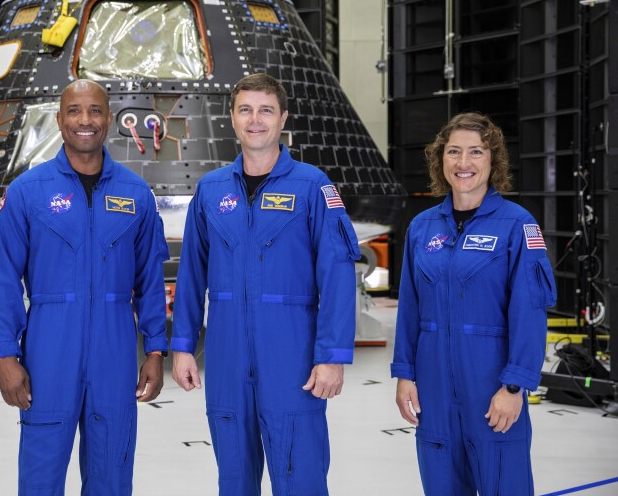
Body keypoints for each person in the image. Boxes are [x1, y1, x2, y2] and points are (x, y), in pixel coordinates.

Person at [171, 73, 361, 495]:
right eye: (245, 110)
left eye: (265, 110)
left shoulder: (313, 186)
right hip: (226, 359)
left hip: (292, 359)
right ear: (233, 120)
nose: (255, 120)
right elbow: (191, 274)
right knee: (234, 479)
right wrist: (183, 345)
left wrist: (331, 355)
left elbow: (337, 275)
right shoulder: (210, 190)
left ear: (283, 119)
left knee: (301, 477)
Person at [0, 79, 170, 495]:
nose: (84, 121)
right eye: (74, 111)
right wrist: (6, 355)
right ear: (59, 119)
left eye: (94, 111)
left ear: (109, 119)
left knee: (112, 471)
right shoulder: (26, 193)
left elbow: (149, 279)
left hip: (115, 348)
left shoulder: (135, 194)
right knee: (41, 474)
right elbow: (3, 280)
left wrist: (155, 350)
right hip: (49, 349)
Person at [391, 112, 557, 495]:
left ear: (493, 160)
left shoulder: (517, 225)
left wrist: (514, 387)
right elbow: (410, 309)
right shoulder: (422, 227)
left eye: (475, 152)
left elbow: (529, 314)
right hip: (433, 388)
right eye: (453, 152)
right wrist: (405, 374)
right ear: (440, 160)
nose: (463, 163)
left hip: (490, 386)